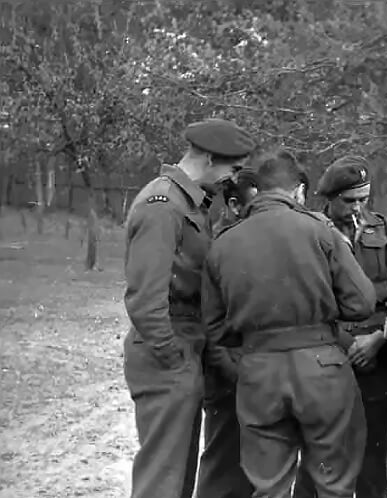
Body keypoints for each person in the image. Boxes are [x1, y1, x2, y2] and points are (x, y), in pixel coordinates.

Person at [202, 150, 377, 497]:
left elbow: (215, 327)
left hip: (259, 373)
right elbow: (361, 303)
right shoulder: (320, 231)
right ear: (297, 191)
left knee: (268, 486)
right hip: (322, 370)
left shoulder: (223, 244)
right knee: (334, 483)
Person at [122, 118, 255, 498]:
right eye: (231, 169)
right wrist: (172, 356)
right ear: (210, 158)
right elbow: (145, 299)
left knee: (178, 475)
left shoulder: (190, 203)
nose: (232, 179)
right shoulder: (162, 205)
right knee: (161, 479)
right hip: (167, 347)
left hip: (185, 344)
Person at [293, 155, 387, 498]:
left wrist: (379, 339)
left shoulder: (381, 227)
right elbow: (306, 302)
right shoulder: (311, 232)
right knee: (321, 460)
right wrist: (349, 344)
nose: (357, 208)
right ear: (329, 198)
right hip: (330, 357)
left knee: (374, 462)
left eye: (364, 199)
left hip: (380, 361)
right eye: (349, 201)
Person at [196, 168, 262, 498]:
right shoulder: (221, 248)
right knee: (222, 461)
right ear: (235, 205)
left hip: (255, 372)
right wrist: (236, 373)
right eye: (254, 206)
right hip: (228, 374)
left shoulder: (255, 244)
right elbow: (213, 327)